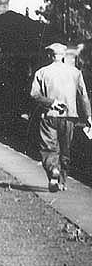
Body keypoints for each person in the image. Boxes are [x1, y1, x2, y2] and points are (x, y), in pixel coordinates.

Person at [30, 43, 92, 192]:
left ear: (50, 56)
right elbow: (83, 96)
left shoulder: (41, 72)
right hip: (70, 116)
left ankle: (53, 170)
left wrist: (51, 102)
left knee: (49, 148)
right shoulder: (76, 73)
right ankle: (63, 181)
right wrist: (89, 116)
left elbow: (34, 95)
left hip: (49, 115)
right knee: (65, 149)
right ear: (63, 56)